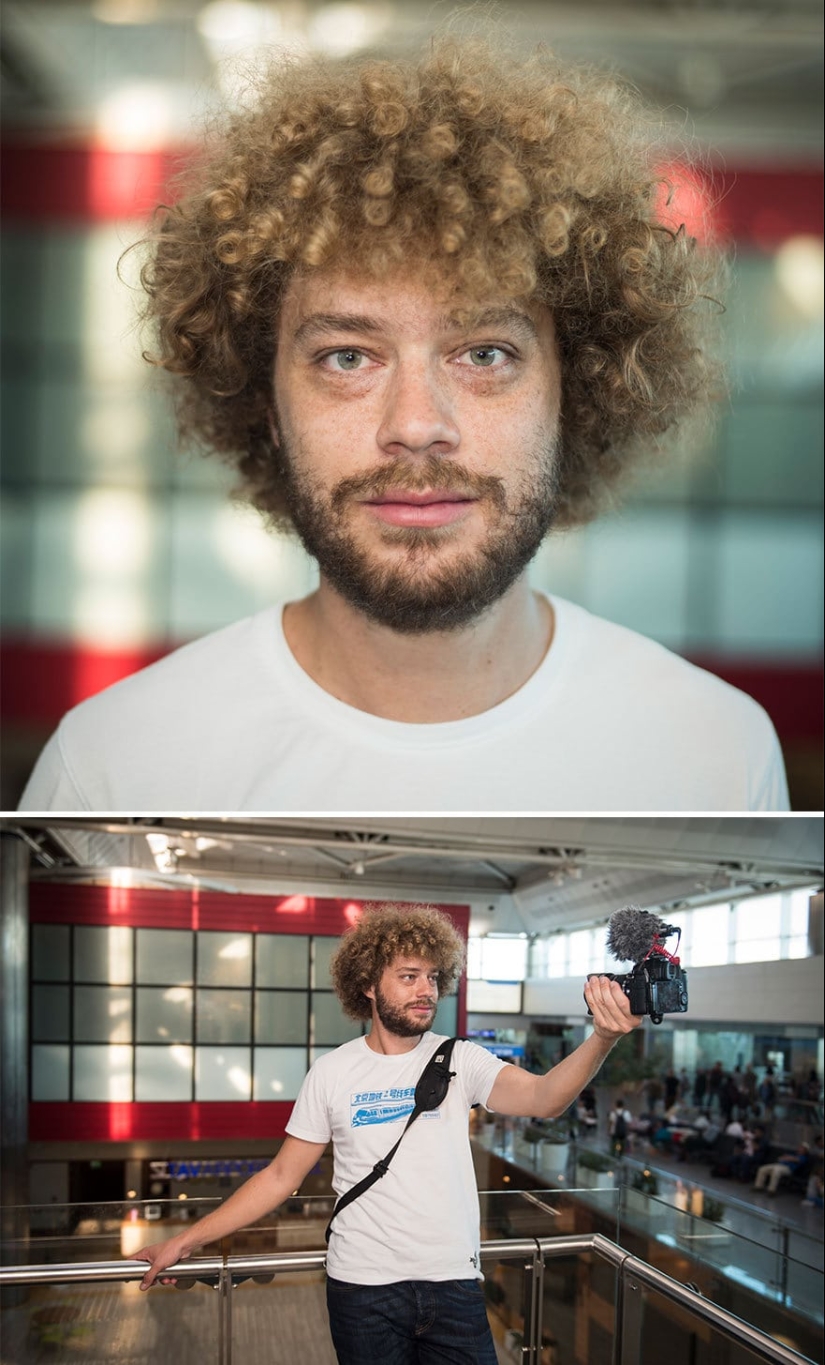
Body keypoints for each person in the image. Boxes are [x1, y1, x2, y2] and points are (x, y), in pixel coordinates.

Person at [19, 35, 788, 813]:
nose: (417, 425)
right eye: (348, 358)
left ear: (576, 391)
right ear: (267, 403)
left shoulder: (713, 753)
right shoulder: (113, 766)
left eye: (483, 353)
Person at [132, 904, 642, 1362]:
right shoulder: (331, 1072)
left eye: (434, 976)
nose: (427, 990)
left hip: (454, 1284)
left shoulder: (460, 1059)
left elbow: (545, 1099)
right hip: (362, 1289)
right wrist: (186, 1240)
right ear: (369, 986)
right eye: (409, 976)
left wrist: (601, 1038)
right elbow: (279, 1176)